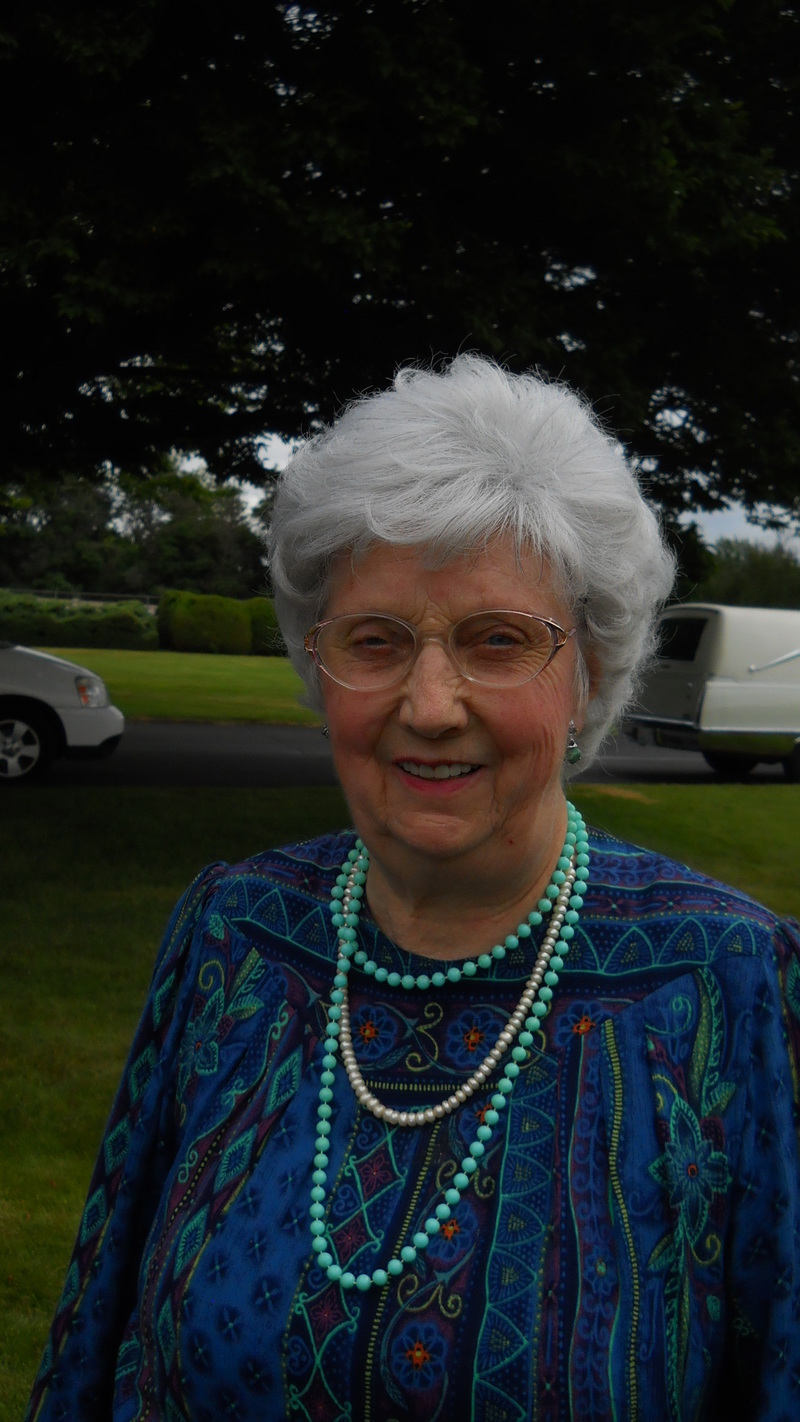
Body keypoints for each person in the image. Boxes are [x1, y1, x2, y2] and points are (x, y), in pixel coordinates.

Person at [28, 356, 800, 1422]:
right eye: (376, 641)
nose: (429, 705)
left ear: (585, 674)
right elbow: (99, 1334)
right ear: (320, 666)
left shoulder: (727, 980)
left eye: (496, 641)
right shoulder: (234, 930)